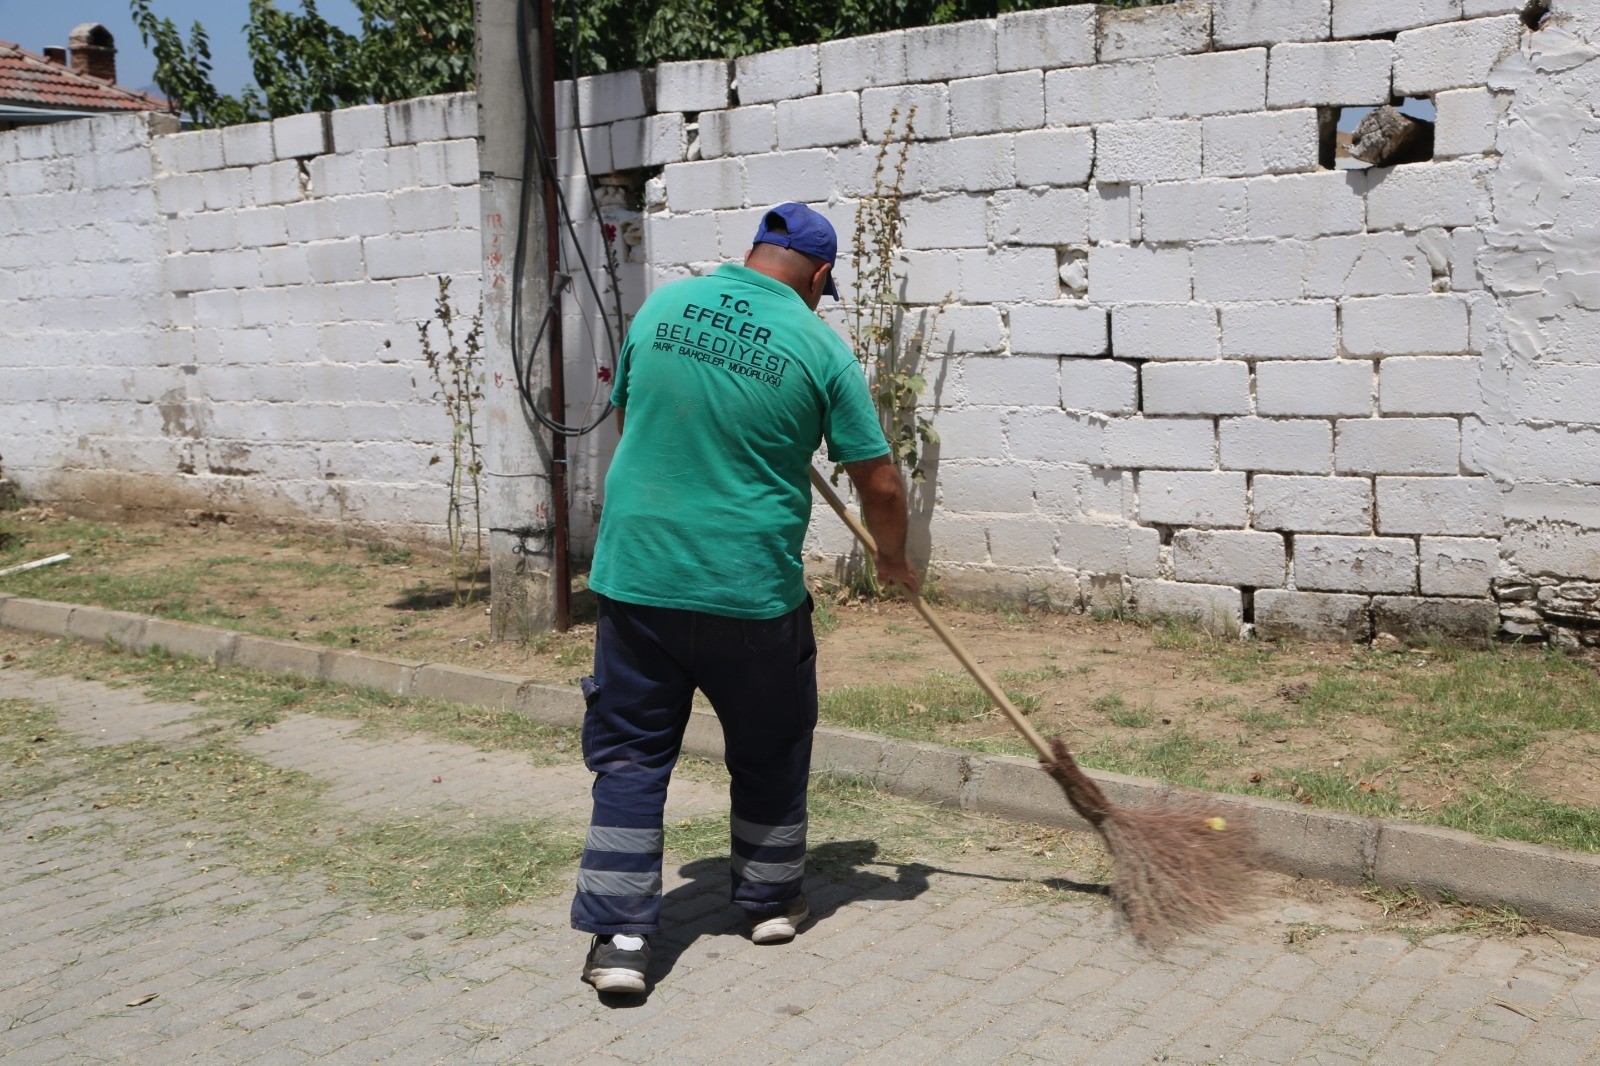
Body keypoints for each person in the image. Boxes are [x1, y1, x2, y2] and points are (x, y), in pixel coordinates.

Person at [572, 202, 918, 995]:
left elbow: (636, 417)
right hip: (749, 592)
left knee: (630, 757)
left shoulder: (661, 308)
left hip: (639, 580)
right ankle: (766, 900)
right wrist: (893, 563)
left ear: (754, 252)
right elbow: (882, 484)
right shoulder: (817, 345)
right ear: (820, 276)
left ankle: (621, 939)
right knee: (771, 738)